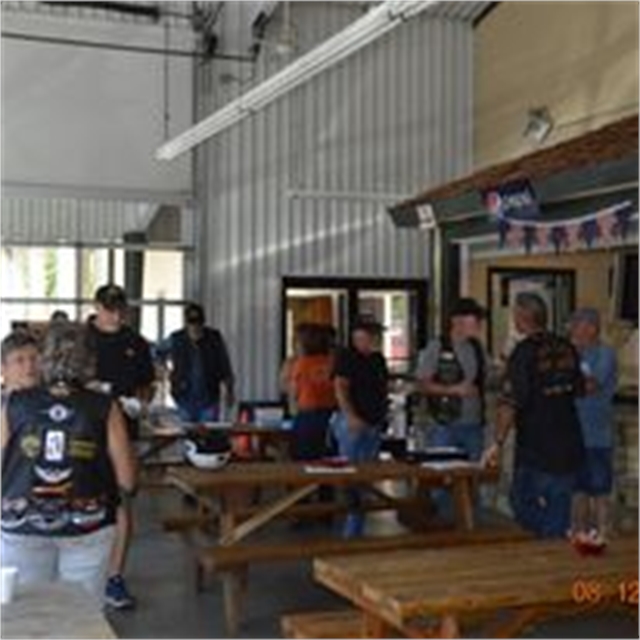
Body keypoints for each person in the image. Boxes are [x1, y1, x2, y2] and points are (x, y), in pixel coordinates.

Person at [1, 321, 136, 605]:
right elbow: (127, 479)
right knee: (82, 614)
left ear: (44, 357)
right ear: (89, 360)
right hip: (87, 523)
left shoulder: (13, 404)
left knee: (27, 613)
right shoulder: (104, 405)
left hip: (22, 522)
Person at [482, 292, 585, 538]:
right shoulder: (567, 347)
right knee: (559, 505)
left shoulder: (523, 352)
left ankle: (548, 540)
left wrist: (497, 442)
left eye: (515, 314)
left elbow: (510, 402)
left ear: (522, 317)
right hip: (569, 440)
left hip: (535, 445)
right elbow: (580, 388)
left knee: (520, 500)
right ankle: (553, 541)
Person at [86, 284, 154, 609]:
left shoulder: (135, 342)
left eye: (119, 309)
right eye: (109, 309)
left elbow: (147, 383)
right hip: (85, 431)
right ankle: (82, 574)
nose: (115, 315)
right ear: (97, 307)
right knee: (83, 499)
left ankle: (114, 577)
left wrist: (141, 403)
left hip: (124, 430)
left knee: (122, 500)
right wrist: (93, 389)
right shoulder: (82, 339)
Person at [333, 318, 389, 538]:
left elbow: (381, 387)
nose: (370, 342)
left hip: (373, 421)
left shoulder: (377, 359)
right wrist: (351, 416)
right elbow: (340, 388)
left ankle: (358, 526)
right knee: (350, 473)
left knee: (366, 474)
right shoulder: (347, 357)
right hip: (353, 422)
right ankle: (351, 527)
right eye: (364, 338)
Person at [418, 298, 488, 462]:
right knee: (441, 472)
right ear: (457, 320)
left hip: (473, 425)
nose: (479, 324)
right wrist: (453, 390)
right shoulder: (437, 347)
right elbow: (422, 384)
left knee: (472, 473)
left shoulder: (477, 348)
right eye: (475, 319)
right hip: (443, 425)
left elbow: (490, 378)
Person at [569, 308, 617, 543]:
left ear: (592, 328)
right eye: (573, 325)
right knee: (577, 490)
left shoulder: (605, 354)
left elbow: (592, 386)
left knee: (600, 490)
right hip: (573, 435)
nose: (573, 330)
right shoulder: (570, 354)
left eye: (577, 325)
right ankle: (579, 535)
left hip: (598, 437)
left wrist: (566, 381)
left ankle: (602, 535)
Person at [157, 303, 235, 423]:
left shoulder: (214, 339)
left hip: (209, 399)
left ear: (203, 323)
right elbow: (157, 351)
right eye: (191, 323)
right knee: (185, 433)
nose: (195, 327)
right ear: (186, 323)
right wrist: (164, 368)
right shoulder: (176, 339)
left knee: (208, 433)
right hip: (184, 398)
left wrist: (230, 391)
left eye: (198, 323)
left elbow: (224, 365)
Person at [288, 324, 337, 460]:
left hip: (308, 414)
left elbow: (294, 392)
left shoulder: (301, 364)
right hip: (331, 414)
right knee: (328, 456)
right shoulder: (332, 362)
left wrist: (293, 413)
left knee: (304, 457)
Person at [1, 332, 40, 399]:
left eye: (33, 359)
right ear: (3, 368)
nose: (29, 365)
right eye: (20, 360)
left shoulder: (53, 402)